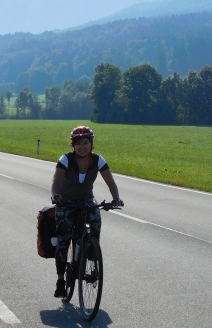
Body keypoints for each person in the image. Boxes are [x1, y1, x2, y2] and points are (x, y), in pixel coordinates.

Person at [50, 125, 124, 298]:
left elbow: (110, 182)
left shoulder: (98, 160)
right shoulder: (66, 159)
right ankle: (61, 281)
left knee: (96, 220)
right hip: (66, 201)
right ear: (73, 145)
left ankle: (91, 252)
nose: (82, 147)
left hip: (86, 200)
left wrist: (116, 198)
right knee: (63, 238)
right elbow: (56, 181)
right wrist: (55, 195)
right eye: (78, 143)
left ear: (91, 144)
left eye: (86, 143)